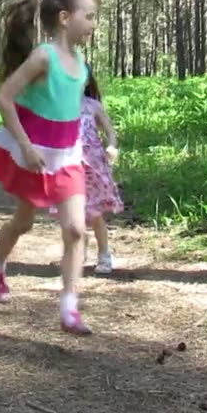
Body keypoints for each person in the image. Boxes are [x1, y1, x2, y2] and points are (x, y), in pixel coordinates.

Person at [0, 0, 98, 335]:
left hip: (68, 159)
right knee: (23, 223)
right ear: (64, 18)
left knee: (76, 230)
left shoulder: (80, 62)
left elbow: (71, 111)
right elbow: (4, 98)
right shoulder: (43, 56)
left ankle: (69, 308)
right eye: (88, 17)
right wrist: (26, 147)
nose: (92, 24)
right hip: (36, 157)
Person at [79, 69, 124, 274]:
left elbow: (110, 132)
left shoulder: (93, 106)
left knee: (95, 213)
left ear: (86, 80)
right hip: (68, 165)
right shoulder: (58, 107)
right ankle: (78, 250)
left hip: (93, 165)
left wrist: (112, 146)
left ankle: (104, 254)